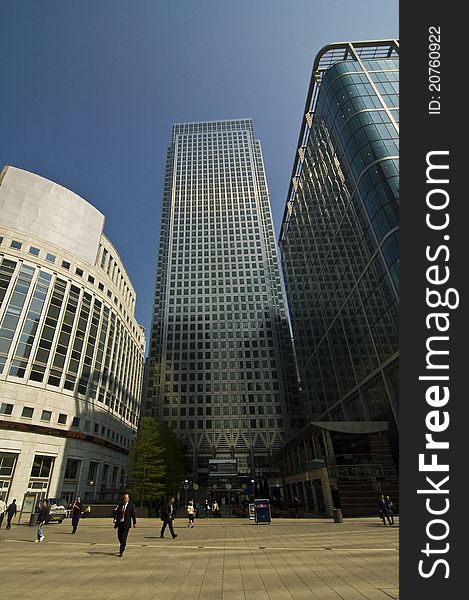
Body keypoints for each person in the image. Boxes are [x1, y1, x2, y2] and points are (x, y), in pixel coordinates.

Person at [113, 492, 137, 557]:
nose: (125, 499)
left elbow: (133, 515)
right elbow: (116, 513)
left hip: (126, 524)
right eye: (124, 498)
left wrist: (134, 522)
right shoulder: (120, 505)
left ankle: (121, 551)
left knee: (123, 538)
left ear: (128, 499)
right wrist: (115, 519)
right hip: (120, 523)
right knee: (119, 537)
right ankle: (123, 544)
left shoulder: (130, 506)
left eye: (126, 498)